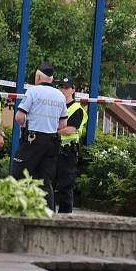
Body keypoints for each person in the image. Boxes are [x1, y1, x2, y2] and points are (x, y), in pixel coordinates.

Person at [10, 62, 67, 209]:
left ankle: (13, 210)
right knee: (44, 181)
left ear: (38, 76)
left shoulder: (33, 91)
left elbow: (19, 117)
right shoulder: (60, 96)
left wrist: (24, 126)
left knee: (18, 175)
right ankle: (47, 216)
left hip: (32, 141)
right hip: (51, 142)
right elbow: (63, 125)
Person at [54, 77, 88, 213]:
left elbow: (70, 129)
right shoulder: (56, 106)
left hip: (68, 153)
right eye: (61, 87)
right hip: (53, 149)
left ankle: (64, 218)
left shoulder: (76, 109)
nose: (63, 90)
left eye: (66, 87)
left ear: (73, 90)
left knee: (65, 187)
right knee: (48, 184)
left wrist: (53, 132)